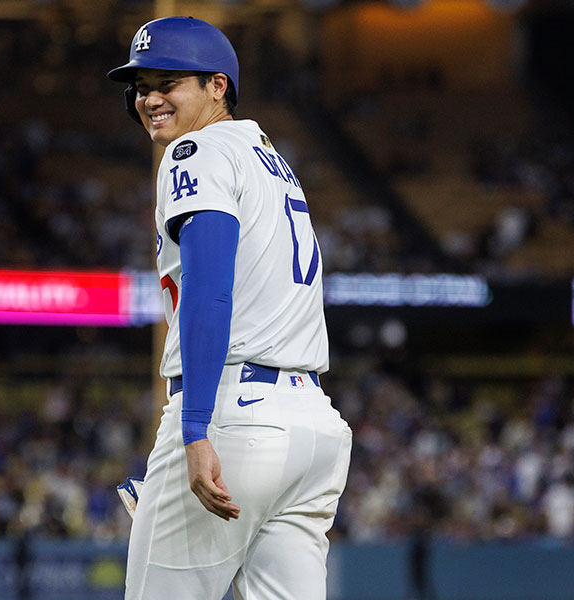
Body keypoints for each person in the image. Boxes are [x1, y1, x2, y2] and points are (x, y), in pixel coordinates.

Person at [107, 16, 352, 600]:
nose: (150, 98)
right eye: (141, 86)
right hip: (312, 426)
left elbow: (210, 288)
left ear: (218, 86)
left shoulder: (198, 149)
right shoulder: (269, 159)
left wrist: (197, 429)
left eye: (169, 81)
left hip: (233, 414)